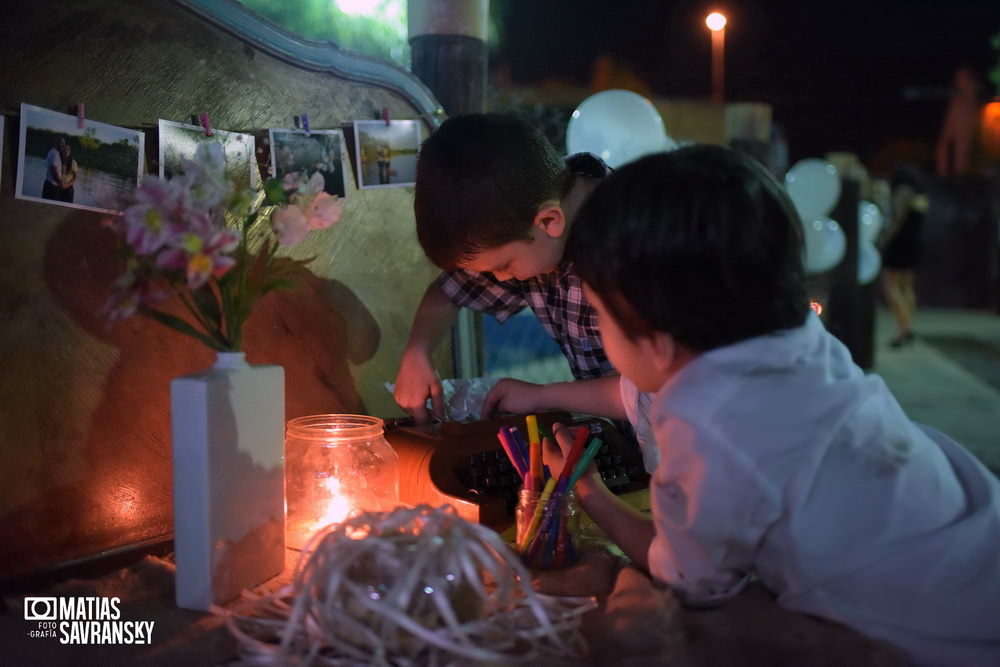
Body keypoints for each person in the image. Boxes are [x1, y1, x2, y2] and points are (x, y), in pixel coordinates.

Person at [530, 145, 999, 665]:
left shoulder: (704, 427)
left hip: (929, 640)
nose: (597, 329)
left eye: (597, 313)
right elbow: (631, 388)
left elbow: (687, 579)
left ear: (658, 342)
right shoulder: (797, 341)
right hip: (976, 556)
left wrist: (592, 493)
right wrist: (540, 396)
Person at [393, 113, 615, 423]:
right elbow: (448, 292)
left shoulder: (634, 244)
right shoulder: (526, 216)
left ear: (550, 221)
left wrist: (541, 395)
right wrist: (418, 350)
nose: (500, 278)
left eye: (504, 266)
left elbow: (653, 393)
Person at [880, 164, 929, 347]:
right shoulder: (921, 194)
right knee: (907, 286)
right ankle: (908, 326)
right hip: (914, 243)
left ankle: (904, 330)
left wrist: (885, 241)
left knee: (891, 286)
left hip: (900, 244)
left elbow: (897, 220)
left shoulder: (903, 191)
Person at [41, 136, 67, 201]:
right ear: (57, 143)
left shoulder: (53, 152)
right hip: (52, 187)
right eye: (62, 143)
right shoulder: (55, 153)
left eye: (64, 144)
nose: (64, 146)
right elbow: (54, 170)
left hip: (49, 184)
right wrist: (61, 183)